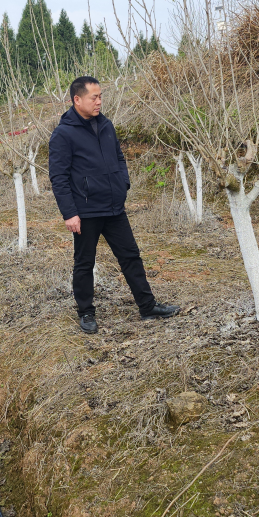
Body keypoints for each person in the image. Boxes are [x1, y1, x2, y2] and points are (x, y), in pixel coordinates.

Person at [48, 77, 181, 333]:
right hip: (86, 210)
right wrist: (70, 213)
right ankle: (86, 313)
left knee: (131, 256)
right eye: (94, 97)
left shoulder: (106, 125)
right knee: (85, 263)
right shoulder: (63, 134)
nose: (99, 102)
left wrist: (123, 183)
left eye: (100, 96)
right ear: (77, 99)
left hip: (113, 207)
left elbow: (119, 157)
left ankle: (147, 307)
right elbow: (59, 177)